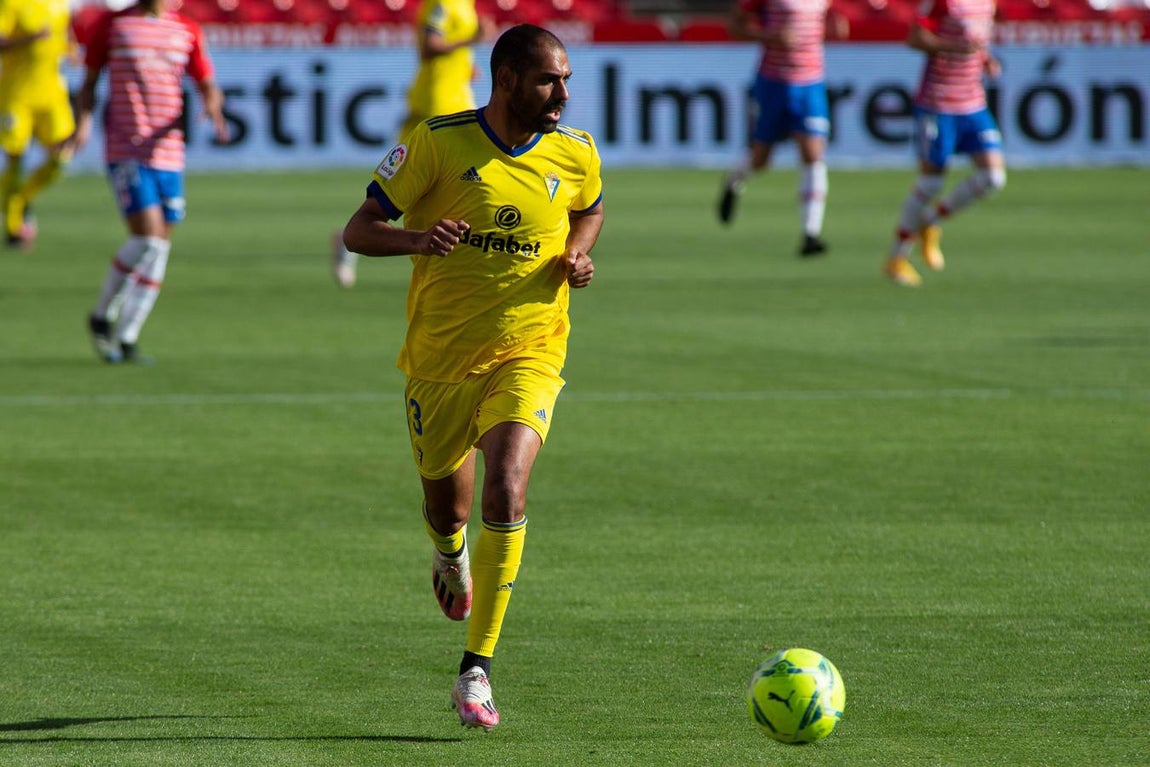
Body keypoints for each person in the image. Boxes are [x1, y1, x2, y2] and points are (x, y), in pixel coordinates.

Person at [341, 24, 603, 731]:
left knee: (508, 482)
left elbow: (590, 209)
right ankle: (449, 554)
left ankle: (475, 669)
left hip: (531, 348)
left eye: (567, 79)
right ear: (508, 77)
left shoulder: (575, 151)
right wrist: (419, 239)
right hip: (439, 361)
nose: (563, 94)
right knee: (448, 510)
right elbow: (358, 229)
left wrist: (576, 255)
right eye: (550, 80)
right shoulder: (438, 141)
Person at [72, 0, 228, 363]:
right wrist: (83, 123)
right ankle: (101, 315)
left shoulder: (186, 30)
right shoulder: (113, 25)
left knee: (159, 248)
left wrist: (213, 103)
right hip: (126, 148)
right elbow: (90, 82)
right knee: (147, 238)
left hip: (169, 152)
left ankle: (127, 335)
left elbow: (207, 82)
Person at [331, 0, 494, 288]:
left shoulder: (465, 5)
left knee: (408, 182)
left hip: (452, 96)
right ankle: (356, 236)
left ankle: (351, 238)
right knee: (419, 182)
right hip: (438, 102)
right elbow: (429, 47)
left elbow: (448, 52)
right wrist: (472, 39)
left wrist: (465, 66)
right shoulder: (442, 4)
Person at [883, 0, 1006, 287]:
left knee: (993, 177)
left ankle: (932, 221)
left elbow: (975, 43)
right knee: (931, 183)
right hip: (938, 103)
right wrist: (952, 48)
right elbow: (914, 38)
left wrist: (985, 59)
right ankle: (896, 258)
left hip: (973, 103)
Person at [717, 0, 844, 257]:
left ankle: (810, 233)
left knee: (813, 153)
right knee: (761, 159)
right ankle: (733, 181)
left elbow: (833, 19)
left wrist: (835, 26)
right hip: (774, 82)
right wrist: (768, 36)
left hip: (811, 83)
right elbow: (735, 25)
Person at [0, 0, 74, 249]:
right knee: (15, 158)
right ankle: (13, 227)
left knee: (62, 156)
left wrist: (71, 50)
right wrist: (29, 39)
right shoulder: (11, 4)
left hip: (51, 94)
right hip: (17, 95)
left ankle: (19, 200)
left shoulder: (59, 4)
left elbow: (64, 37)